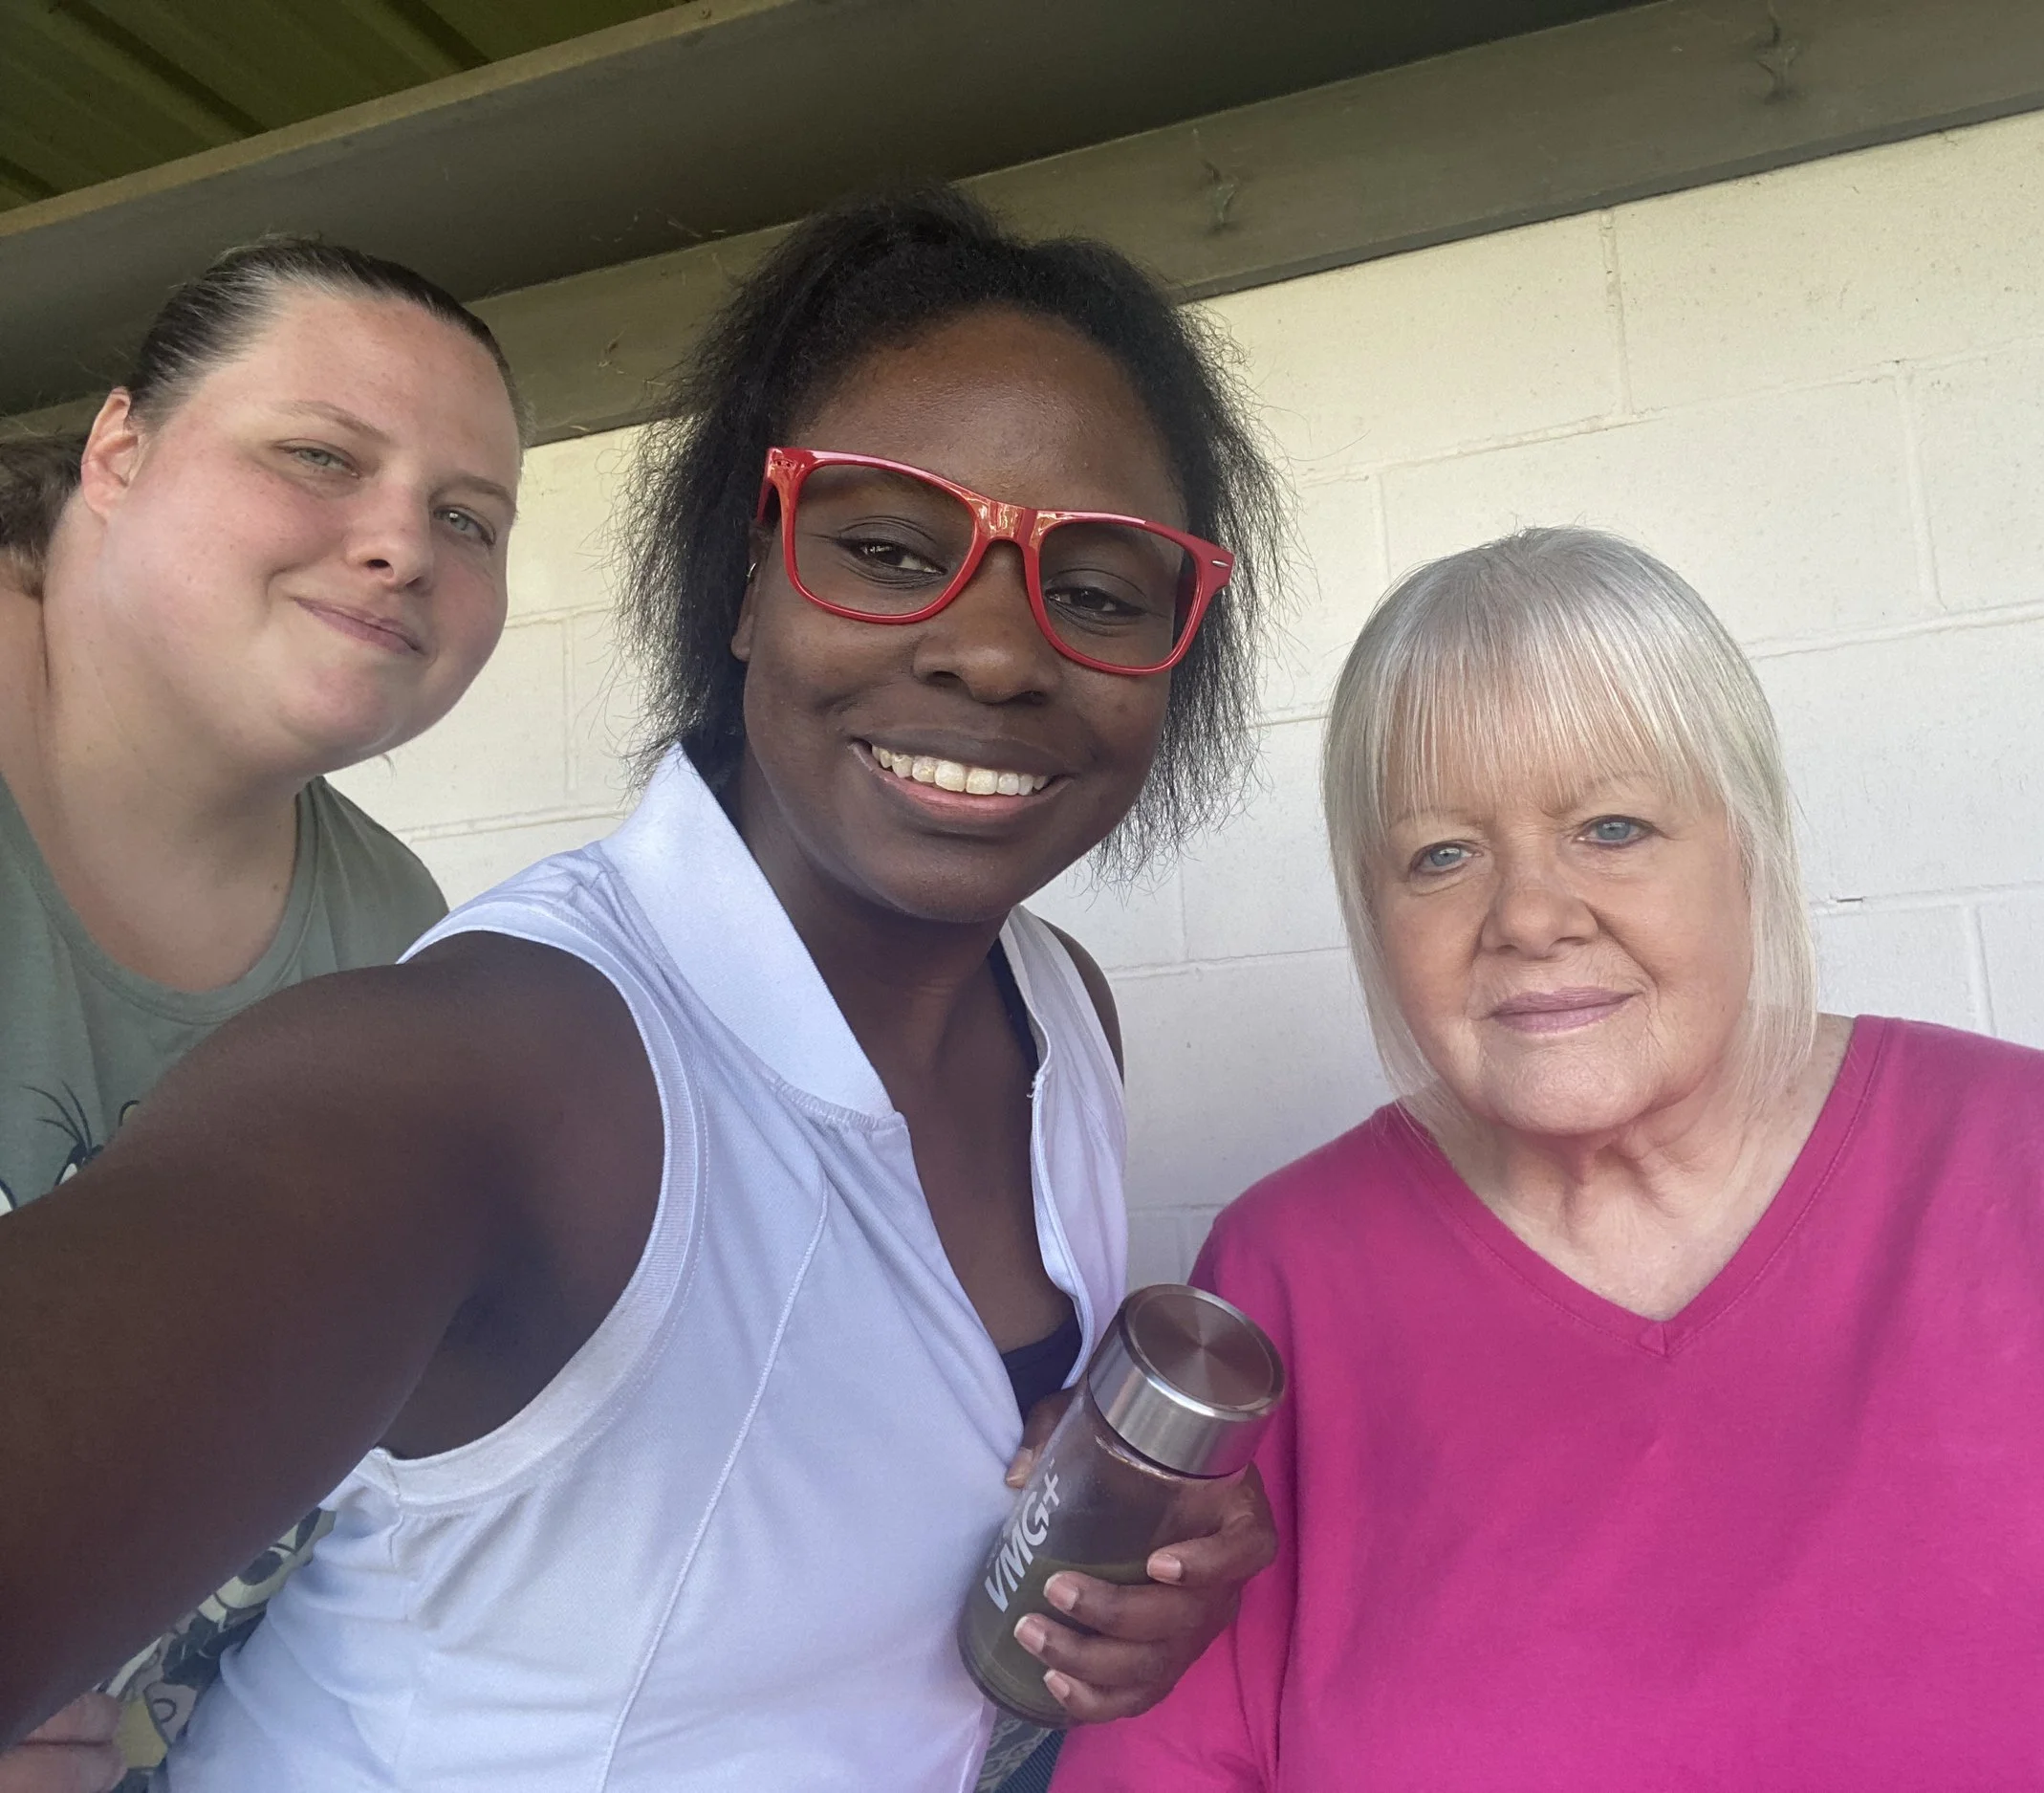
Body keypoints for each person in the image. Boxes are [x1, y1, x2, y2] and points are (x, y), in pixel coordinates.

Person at [0, 188, 1284, 1792]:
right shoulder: (516, 1065)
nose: (999, 651)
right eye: (886, 547)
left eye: (1097, 590)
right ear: (748, 587)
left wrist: (1119, 1553)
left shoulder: (1063, 1018)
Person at [1055, 527, 2044, 1792]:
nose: (1527, 913)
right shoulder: (1283, 1276)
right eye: (1441, 852)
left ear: (1745, 845)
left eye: (1613, 827)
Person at [0, 239, 527, 1793]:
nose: (401, 547)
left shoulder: (396, 950)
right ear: (121, 449)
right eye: (318, 456)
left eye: (466, 519)